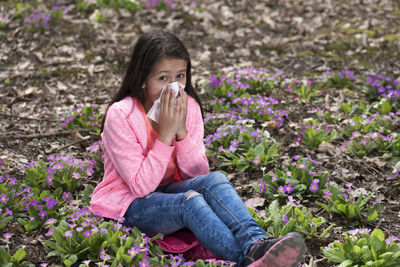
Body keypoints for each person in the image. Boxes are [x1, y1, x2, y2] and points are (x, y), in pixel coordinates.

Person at [90, 29, 306, 267]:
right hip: (131, 204)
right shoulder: (121, 115)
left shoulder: (188, 105)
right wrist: (165, 136)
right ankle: (245, 260)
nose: (173, 87)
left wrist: (181, 133)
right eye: (163, 78)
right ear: (142, 79)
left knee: (215, 179)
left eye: (180, 76)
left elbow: (196, 173)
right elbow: (140, 187)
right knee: (190, 201)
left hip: (171, 189)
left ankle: (257, 244)